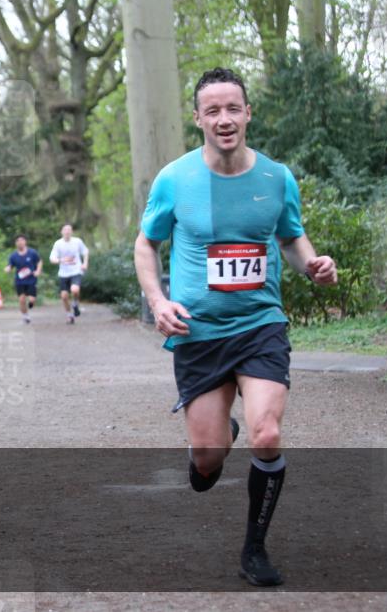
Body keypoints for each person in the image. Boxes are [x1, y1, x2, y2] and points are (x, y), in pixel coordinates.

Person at [133, 68, 338, 586]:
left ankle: (255, 548)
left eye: (233, 108)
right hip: (198, 334)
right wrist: (157, 300)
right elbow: (146, 244)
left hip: (260, 324)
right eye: (213, 111)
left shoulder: (276, 177)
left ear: (248, 113)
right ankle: (217, 438)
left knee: (267, 433)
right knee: (206, 461)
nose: (224, 119)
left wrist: (312, 264)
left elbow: (292, 238)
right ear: (198, 118)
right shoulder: (174, 179)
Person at [49, 224, 88, 324]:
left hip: (76, 271)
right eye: (65, 230)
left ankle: (75, 303)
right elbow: (52, 258)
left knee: (74, 290)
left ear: (72, 232)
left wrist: (85, 263)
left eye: (69, 230)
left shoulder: (77, 241)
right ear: (61, 232)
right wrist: (60, 260)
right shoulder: (58, 243)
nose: (67, 232)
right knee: (64, 296)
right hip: (63, 273)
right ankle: (69, 315)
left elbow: (85, 251)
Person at [4, 234, 42, 324]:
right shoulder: (13, 256)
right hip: (20, 281)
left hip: (31, 280)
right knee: (21, 299)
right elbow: (10, 265)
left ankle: (31, 304)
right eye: (18, 241)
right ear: (16, 243)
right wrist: (8, 269)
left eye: (21, 240)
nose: (20, 242)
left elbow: (39, 261)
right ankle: (25, 316)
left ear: (25, 242)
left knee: (32, 300)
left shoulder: (32, 253)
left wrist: (38, 271)